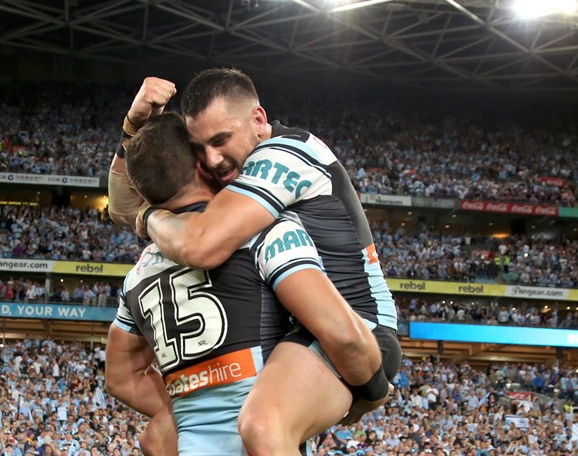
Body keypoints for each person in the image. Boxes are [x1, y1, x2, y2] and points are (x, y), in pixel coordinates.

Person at [109, 73, 402, 444]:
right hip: (309, 331)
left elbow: (200, 245)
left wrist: (148, 215)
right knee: (162, 435)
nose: (213, 160)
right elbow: (123, 208)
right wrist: (132, 128)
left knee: (263, 427)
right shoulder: (237, 168)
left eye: (221, 140)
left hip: (359, 330)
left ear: (259, 120)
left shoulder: (286, 152)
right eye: (201, 148)